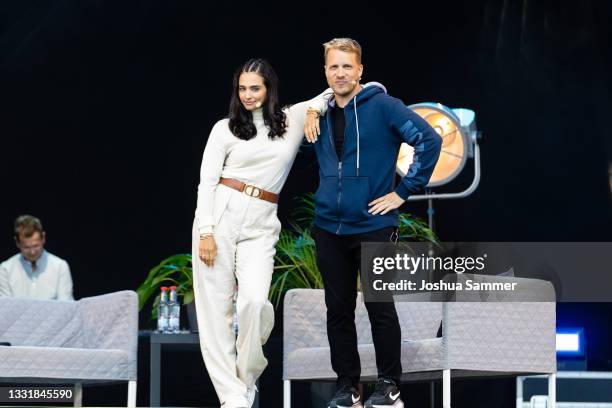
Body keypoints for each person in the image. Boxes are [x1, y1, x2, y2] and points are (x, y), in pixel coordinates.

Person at [191, 58, 333, 408]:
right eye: (242, 89)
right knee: (215, 315)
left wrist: (314, 110)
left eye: (255, 88)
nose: (248, 95)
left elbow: (339, 91)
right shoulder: (223, 129)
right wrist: (206, 231)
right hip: (221, 212)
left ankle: (245, 379)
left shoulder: (291, 120)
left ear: (269, 89)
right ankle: (232, 398)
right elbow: (206, 183)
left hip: (262, 219)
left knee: (254, 303)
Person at [310, 38, 443, 408]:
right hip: (328, 227)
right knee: (337, 311)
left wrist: (404, 191)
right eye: (334, 66)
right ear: (325, 71)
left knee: (379, 306)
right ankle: (347, 387)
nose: (341, 73)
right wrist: (312, 108)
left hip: (373, 223)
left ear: (360, 71)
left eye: (347, 66)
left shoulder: (383, 106)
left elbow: (429, 139)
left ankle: (389, 386)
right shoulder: (317, 112)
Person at [0, 215, 74, 300]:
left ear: (43, 238)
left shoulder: (60, 266)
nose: (32, 252)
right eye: (26, 247)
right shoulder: (5, 269)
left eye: (36, 246)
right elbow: (5, 307)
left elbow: (66, 306)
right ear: (17, 243)